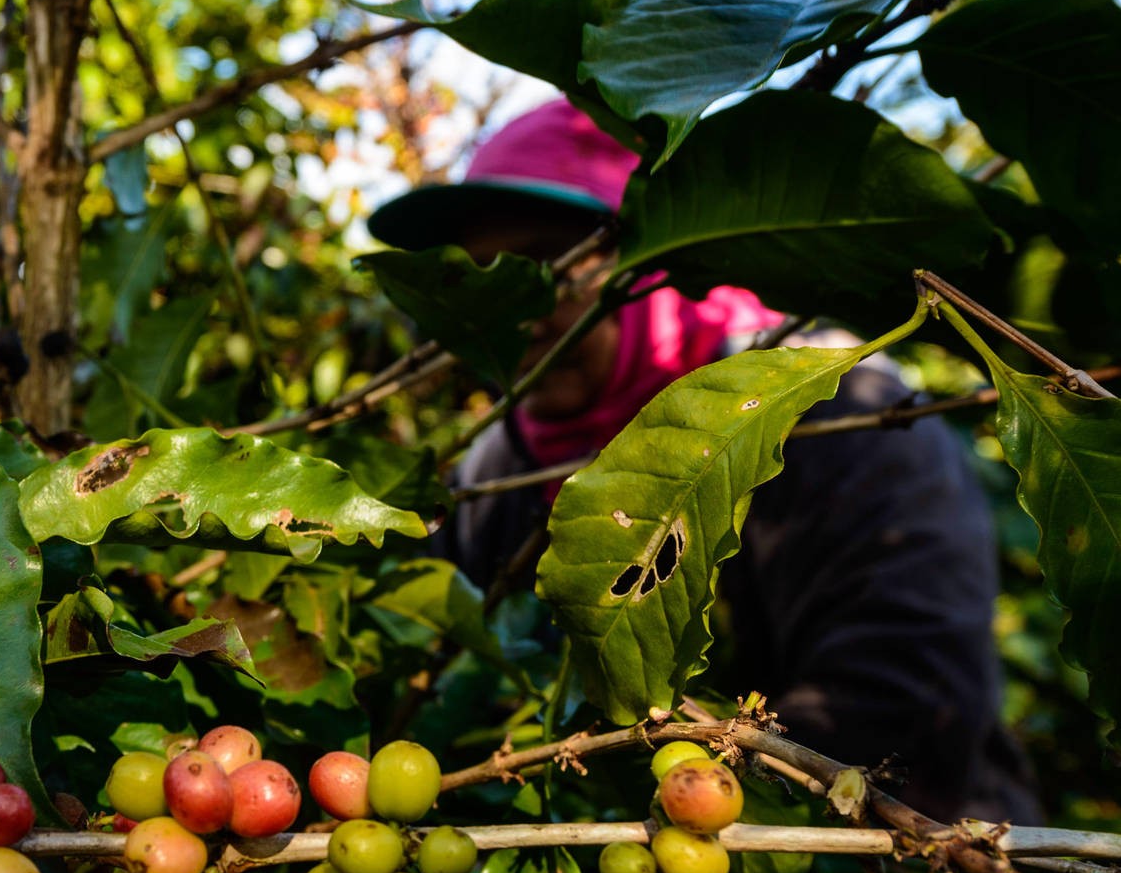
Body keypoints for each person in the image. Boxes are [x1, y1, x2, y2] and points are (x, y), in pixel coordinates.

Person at [368, 99, 1039, 826]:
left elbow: (905, 694)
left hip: (906, 868)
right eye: (479, 277)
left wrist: (645, 807)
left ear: (647, 266)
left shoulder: (837, 416)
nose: (513, 310)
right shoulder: (497, 470)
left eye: (547, 267)